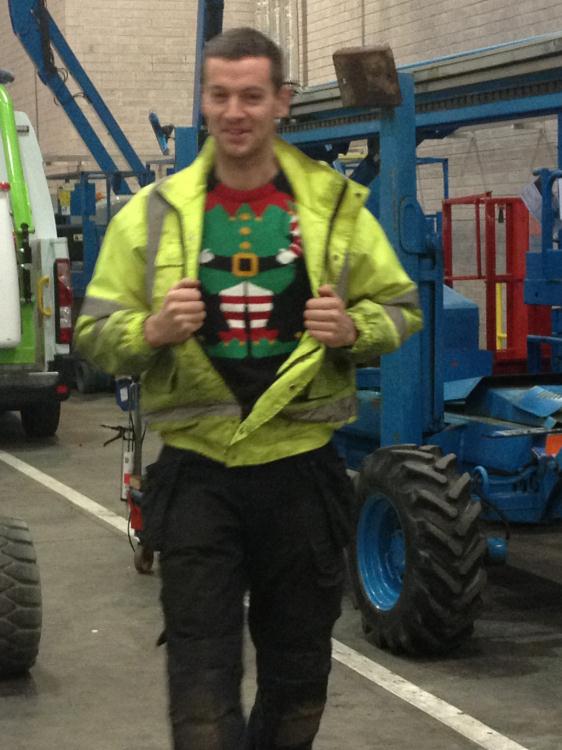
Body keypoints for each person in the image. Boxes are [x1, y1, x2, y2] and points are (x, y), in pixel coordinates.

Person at [75, 26, 422, 750]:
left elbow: (401, 307)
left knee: (298, 696)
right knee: (201, 703)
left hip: (301, 474)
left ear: (281, 102)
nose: (235, 112)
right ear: (204, 102)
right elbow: (94, 334)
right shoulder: (153, 214)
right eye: (220, 95)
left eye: (252, 96)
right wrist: (153, 330)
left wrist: (352, 329)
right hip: (198, 477)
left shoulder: (333, 207)